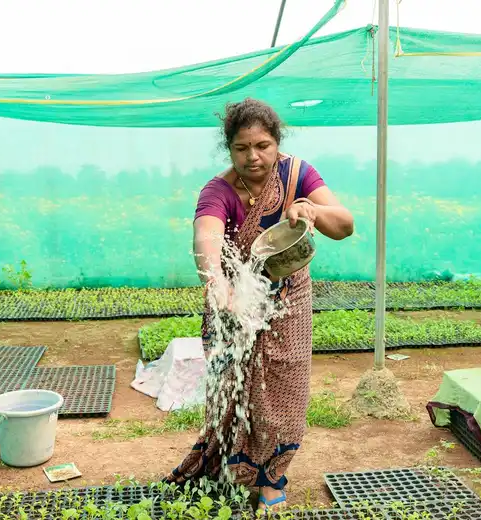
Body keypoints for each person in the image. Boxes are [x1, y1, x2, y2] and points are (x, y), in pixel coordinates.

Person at [164, 98, 355, 511]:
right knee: (231, 393)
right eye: (241, 148)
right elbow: (207, 241)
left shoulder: (298, 174)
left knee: (284, 390)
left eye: (263, 146)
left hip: (289, 301)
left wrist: (312, 209)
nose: (253, 157)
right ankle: (230, 466)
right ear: (228, 148)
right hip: (234, 302)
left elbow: (345, 224)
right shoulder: (218, 191)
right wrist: (219, 290)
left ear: (277, 143)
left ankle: (272, 477)